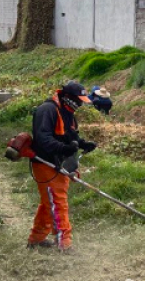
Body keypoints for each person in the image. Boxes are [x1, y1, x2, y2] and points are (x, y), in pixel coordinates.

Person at [28, 81, 97, 253]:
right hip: (45, 162)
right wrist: (64, 148)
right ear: (67, 97)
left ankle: (36, 239)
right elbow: (42, 139)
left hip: (59, 163)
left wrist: (82, 144)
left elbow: (70, 135)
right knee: (58, 203)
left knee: (48, 203)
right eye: (78, 100)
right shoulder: (47, 110)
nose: (80, 104)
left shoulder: (68, 112)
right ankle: (64, 244)